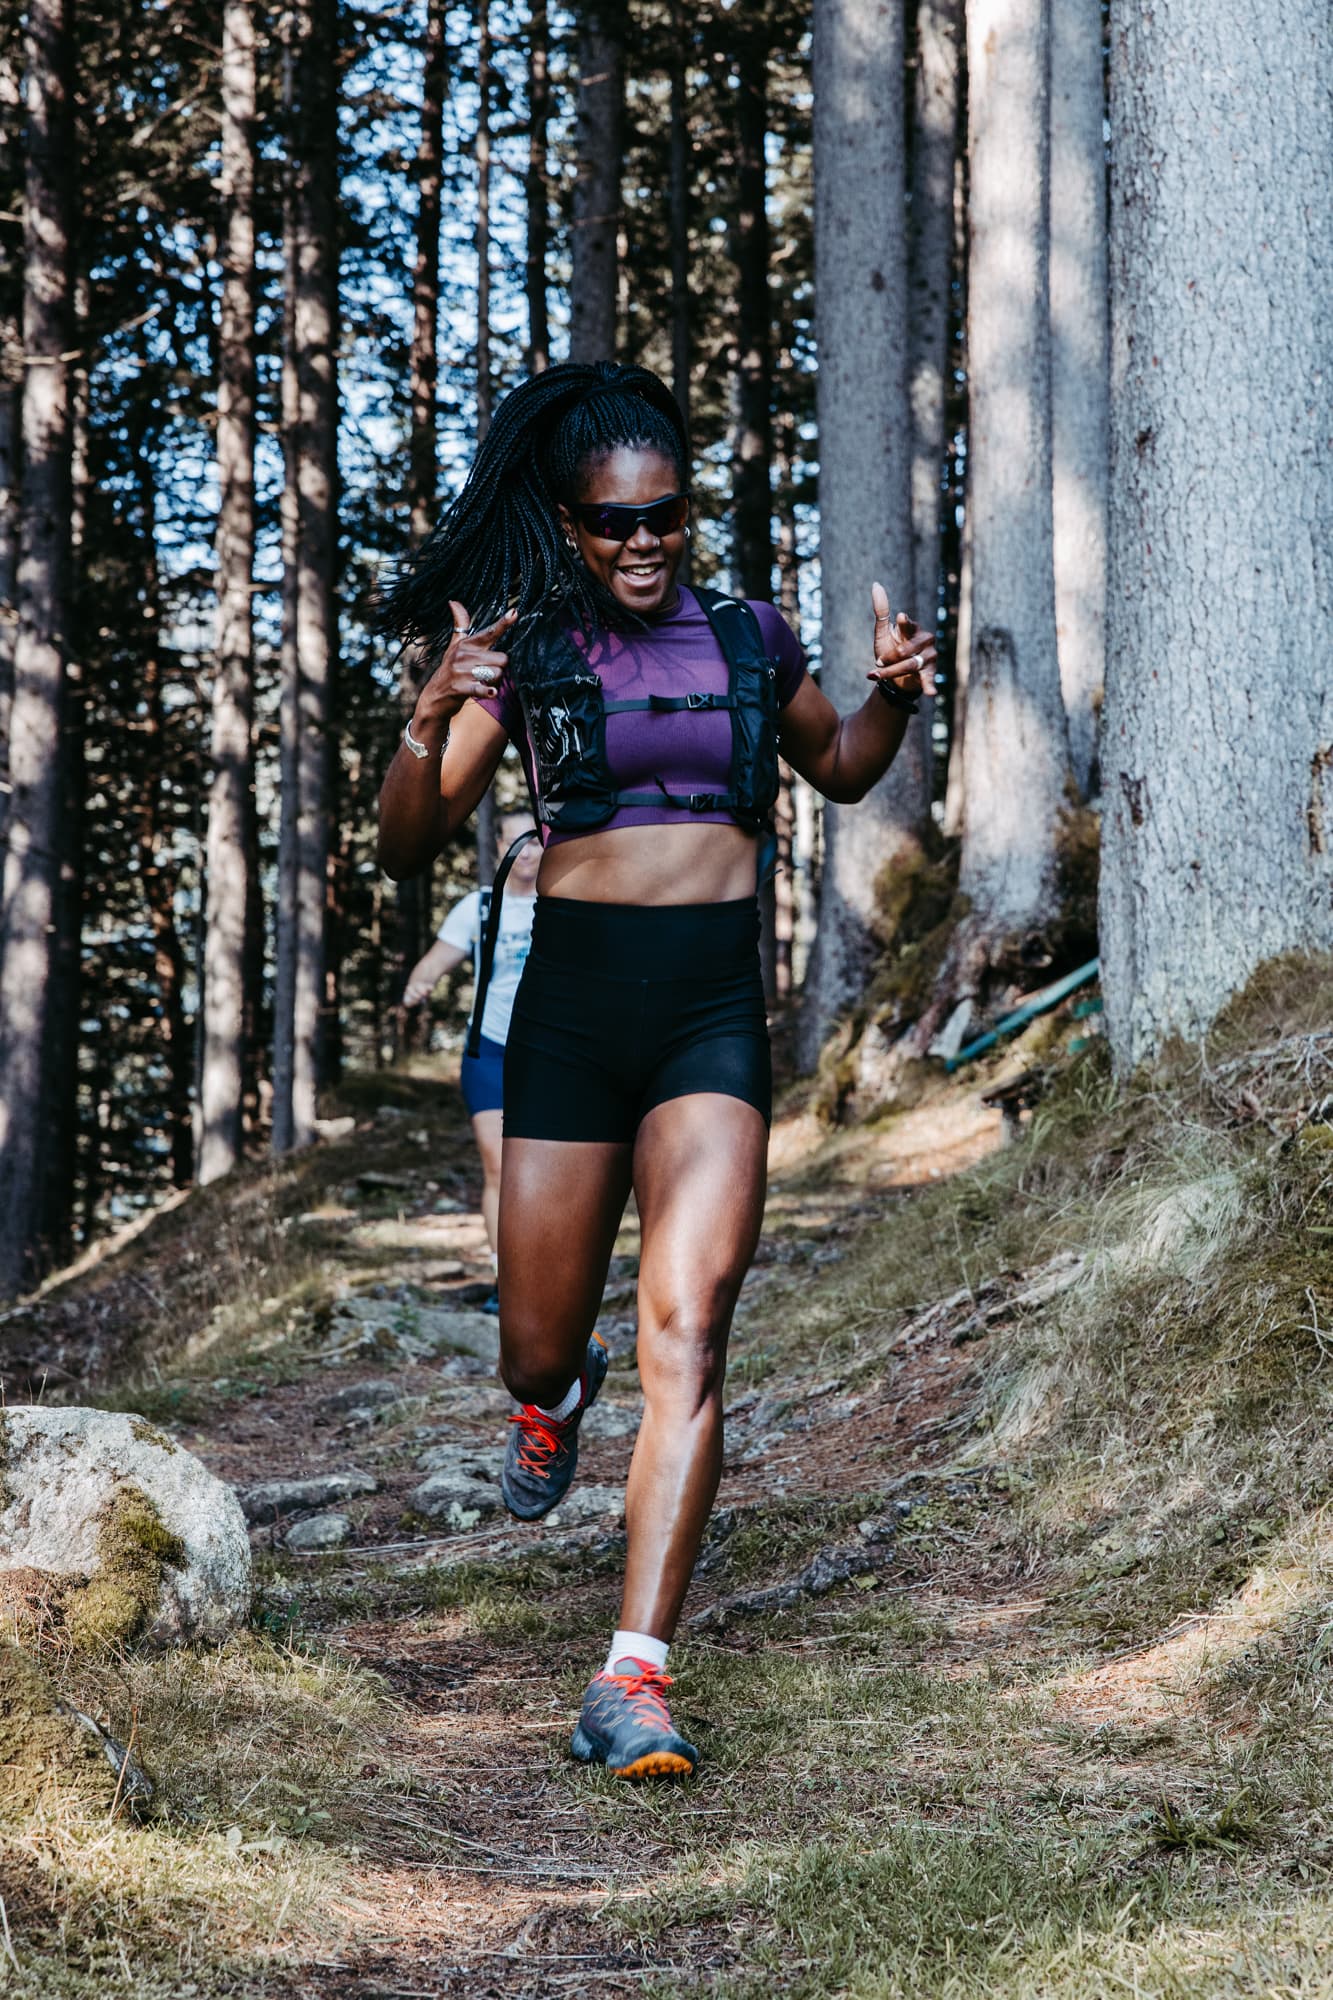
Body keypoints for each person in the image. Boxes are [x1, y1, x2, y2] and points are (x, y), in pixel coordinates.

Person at [377, 361, 936, 1780]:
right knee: (539, 1342)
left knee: (690, 1326)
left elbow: (849, 769)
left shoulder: (752, 638)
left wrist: (895, 696)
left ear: (689, 510)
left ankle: (634, 1677)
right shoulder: (537, 649)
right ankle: (551, 1403)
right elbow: (404, 842)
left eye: (663, 518)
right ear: (568, 526)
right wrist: (430, 716)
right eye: (610, 524)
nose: (640, 545)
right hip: (566, 1018)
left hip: (705, 1023)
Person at [402, 812, 539, 1310]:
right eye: (516, 842)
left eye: (535, 840)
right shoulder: (481, 907)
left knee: (551, 1169)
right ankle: (511, 1283)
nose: (527, 852)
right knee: (500, 1168)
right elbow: (439, 957)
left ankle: (553, 1272)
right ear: (499, 845)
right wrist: (420, 981)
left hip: (552, 1055)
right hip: (491, 1051)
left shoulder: (565, 900)